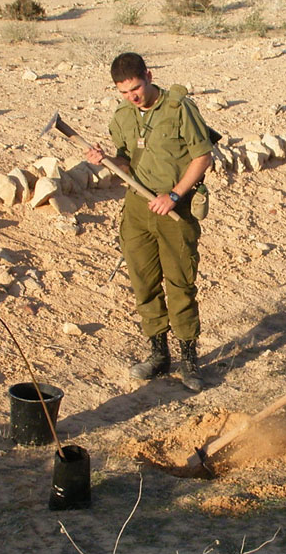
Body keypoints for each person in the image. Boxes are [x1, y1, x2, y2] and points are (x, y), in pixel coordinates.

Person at [85, 52, 214, 392]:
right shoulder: (123, 115)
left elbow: (203, 158)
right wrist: (106, 160)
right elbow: (126, 161)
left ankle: (189, 360)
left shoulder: (178, 108)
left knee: (180, 285)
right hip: (138, 210)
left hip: (175, 209)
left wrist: (173, 195)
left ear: (149, 75)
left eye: (137, 88)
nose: (133, 97)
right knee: (143, 283)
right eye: (125, 92)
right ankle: (159, 354)